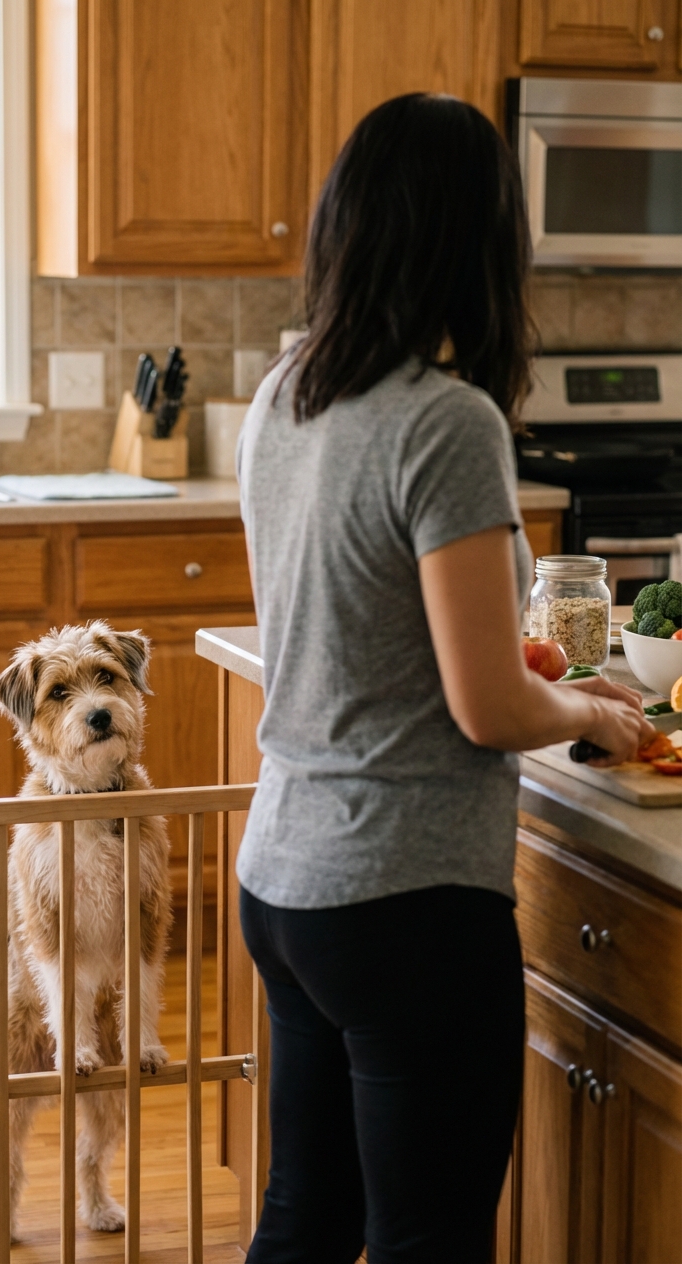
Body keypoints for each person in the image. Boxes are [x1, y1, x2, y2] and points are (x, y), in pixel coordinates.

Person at [235, 93, 654, 1264]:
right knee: (429, 1239)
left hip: (284, 877)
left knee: (303, 1220)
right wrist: (589, 712)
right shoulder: (444, 420)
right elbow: (488, 708)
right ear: (473, 240)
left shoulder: (284, 395)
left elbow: (359, 633)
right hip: (404, 897)